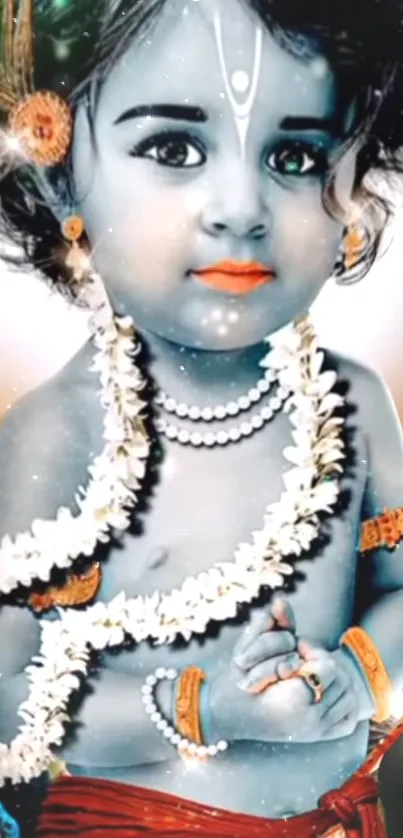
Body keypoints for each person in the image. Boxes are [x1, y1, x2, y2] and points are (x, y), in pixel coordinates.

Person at [1, 0, 403, 834]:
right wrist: (203, 709)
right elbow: (7, 700)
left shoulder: (352, 403)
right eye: (174, 148)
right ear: (59, 165)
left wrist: (362, 677)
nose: (239, 207)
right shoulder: (59, 433)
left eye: (296, 155)